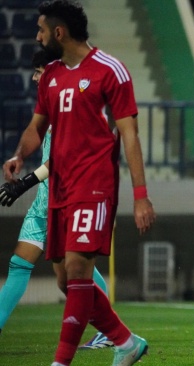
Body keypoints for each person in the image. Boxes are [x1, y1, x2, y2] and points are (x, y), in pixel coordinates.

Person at [2, 1, 156, 365]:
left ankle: (60, 361)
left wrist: (140, 196)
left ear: (59, 32)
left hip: (95, 184)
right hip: (59, 188)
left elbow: (129, 136)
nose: (37, 38)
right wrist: (20, 156)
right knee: (65, 281)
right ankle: (125, 341)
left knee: (76, 269)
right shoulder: (52, 75)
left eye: (41, 31)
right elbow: (36, 126)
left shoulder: (110, 71)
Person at [0, 50, 113, 350]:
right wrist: (18, 156)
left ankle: (111, 330)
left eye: (38, 71)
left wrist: (23, 183)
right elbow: (34, 132)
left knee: (73, 272)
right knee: (19, 263)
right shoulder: (51, 101)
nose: (35, 77)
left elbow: (59, 159)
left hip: (66, 199)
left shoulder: (74, 101)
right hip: (44, 201)